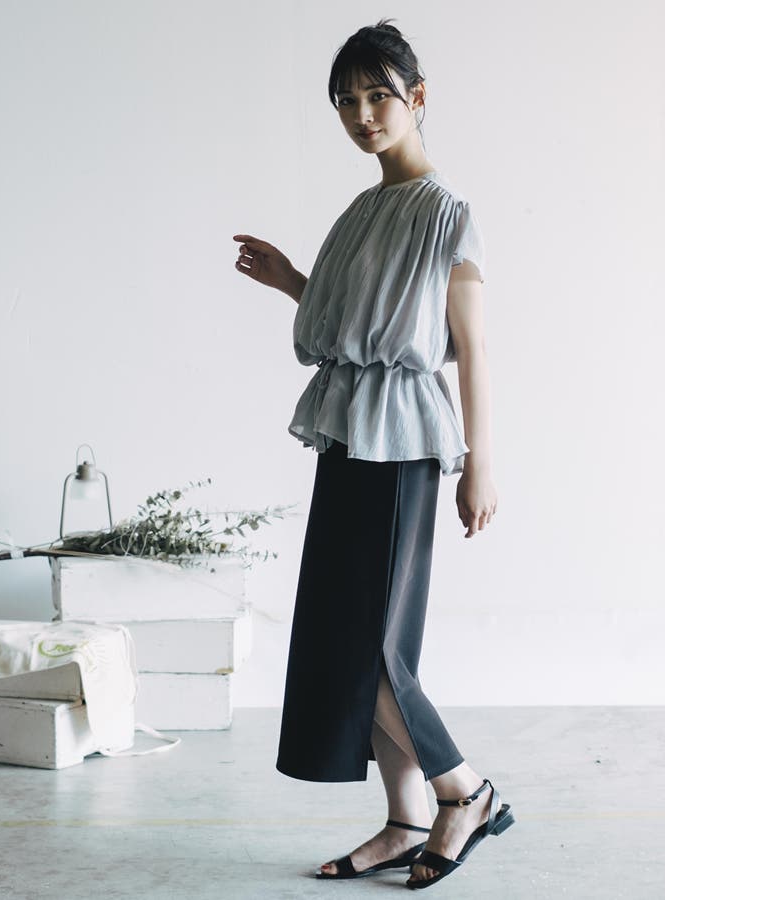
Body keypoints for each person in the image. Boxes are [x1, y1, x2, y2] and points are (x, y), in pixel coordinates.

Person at [232, 18, 515, 891]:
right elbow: (356, 328)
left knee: (372, 644)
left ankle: (463, 792)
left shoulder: (447, 213)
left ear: (417, 97)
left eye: (378, 95)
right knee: (347, 633)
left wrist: (479, 461)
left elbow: (468, 347)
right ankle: (404, 820)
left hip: (405, 441)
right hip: (349, 430)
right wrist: (291, 281)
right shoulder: (359, 213)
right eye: (346, 101)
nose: (362, 114)